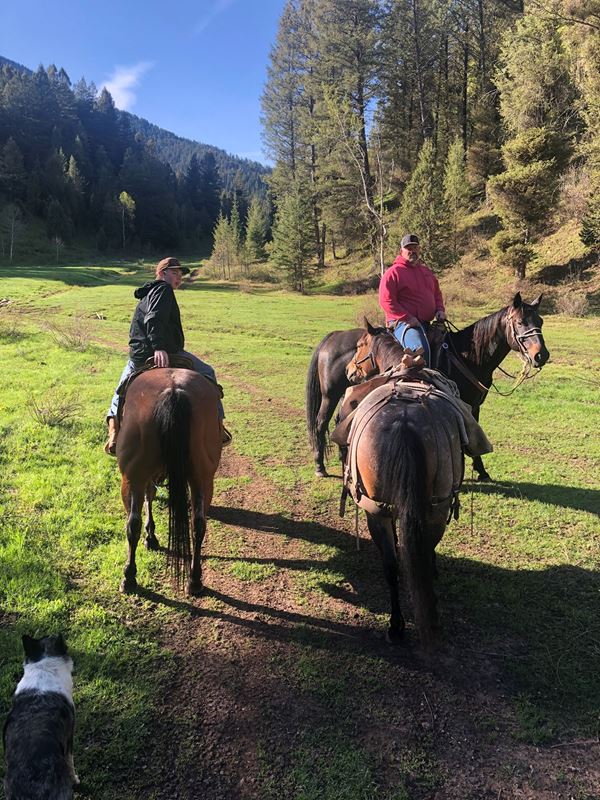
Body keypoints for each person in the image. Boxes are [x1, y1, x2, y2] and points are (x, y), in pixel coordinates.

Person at [104, 256, 231, 455]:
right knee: (208, 371)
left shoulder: (148, 292)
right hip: (165, 351)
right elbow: (153, 318)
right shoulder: (163, 289)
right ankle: (219, 427)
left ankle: (114, 432)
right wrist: (159, 348)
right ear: (162, 273)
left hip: (138, 354)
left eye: (180, 274)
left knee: (121, 389)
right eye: (174, 272)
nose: (179, 277)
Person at [378, 233, 446, 365]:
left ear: (419, 249)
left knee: (448, 349)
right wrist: (407, 318)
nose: (412, 251)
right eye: (408, 248)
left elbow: (437, 294)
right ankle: (423, 378)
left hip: (426, 323)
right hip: (402, 324)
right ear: (401, 251)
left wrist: (440, 310)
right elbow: (386, 301)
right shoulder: (393, 272)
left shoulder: (426, 272)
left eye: (415, 248)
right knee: (420, 350)